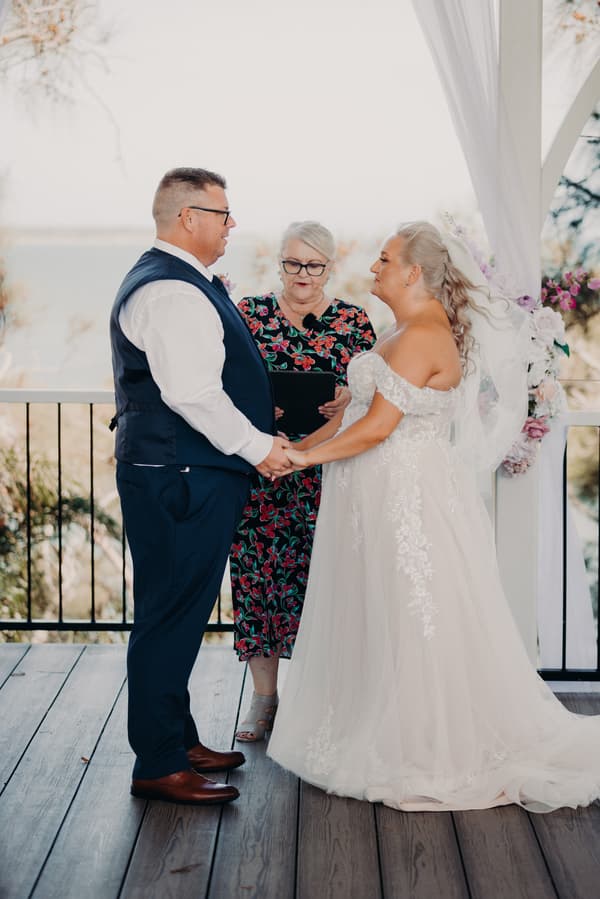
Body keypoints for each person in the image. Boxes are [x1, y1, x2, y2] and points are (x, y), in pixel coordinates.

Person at [268, 221, 600, 813]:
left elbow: (377, 428)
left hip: (406, 499)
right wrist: (295, 446)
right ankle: (370, 726)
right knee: (378, 610)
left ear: (413, 272)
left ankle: (424, 746)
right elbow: (357, 415)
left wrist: (301, 463)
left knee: (412, 612)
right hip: (372, 495)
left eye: (384, 257)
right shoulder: (400, 329)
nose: (373, 266)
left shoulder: (422, 334)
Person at [110, 167, 292, 806]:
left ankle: (177, 738)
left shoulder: (177, 282)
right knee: (170, 616)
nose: (231, 223)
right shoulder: (172, 293)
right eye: (222, 213)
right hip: (182, 476)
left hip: (178, 472)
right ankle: (159, 763)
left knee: (177, 614)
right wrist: (260, 448)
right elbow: (191, 393)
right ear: (188, 217)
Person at [230, 221, 376, 742]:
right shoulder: (248, 315)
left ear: (330, 267)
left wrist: (344, 401)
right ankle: (264, 701)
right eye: (294, 263)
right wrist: (255, 408)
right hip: (262, 469)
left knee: (325, 583)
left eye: (314, 265)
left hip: (327, 471)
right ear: (280, 263)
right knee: (258, 584)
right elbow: (225, 383)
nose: (303, 275)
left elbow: (369, 396)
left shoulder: (354, 322)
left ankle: (327, 703)